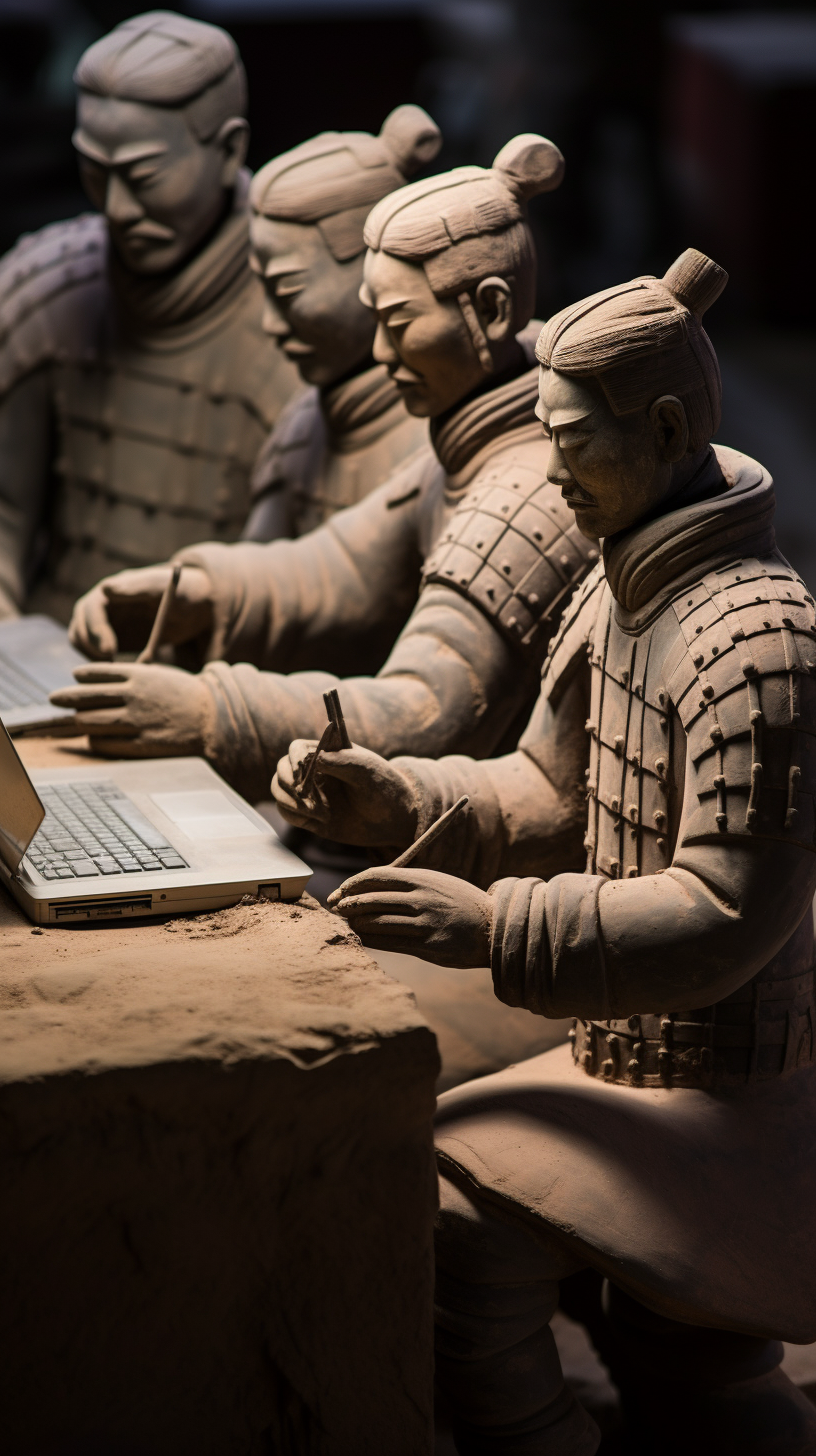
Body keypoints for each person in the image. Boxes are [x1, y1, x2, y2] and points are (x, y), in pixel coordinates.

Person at [276, 249, 816, 1455]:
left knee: (498, 1240)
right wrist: (397, 794)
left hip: (724, 1095)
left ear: (667, 426)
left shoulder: (756, 644)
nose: (551, 471)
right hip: (623, 1048)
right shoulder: (619, 578)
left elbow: (726, 914)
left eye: (573, 443)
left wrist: (494, 931)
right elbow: (541, 785)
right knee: (672, 1357)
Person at [59, 134, 598, 809]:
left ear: (489, 311)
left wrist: (208, 712)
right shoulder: (467, 440)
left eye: (398, 324)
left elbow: (430, 706)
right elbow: (338, 568)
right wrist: (198, 592)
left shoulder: (524, 487)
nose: (378, 351)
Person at [0, 10, 300, 622]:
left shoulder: (301, 324)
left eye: (142, 176)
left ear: (230, 149)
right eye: (94, 172)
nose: (115, 208)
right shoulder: (45, 291)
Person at [243, 105, 441, 541]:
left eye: (288, 291)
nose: (271, 324)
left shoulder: (442, 441)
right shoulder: (303, 426)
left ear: (373, 266)